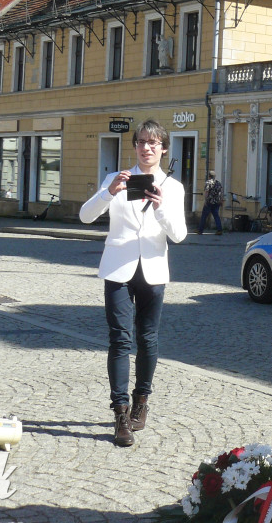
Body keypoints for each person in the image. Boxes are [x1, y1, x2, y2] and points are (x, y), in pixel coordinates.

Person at [79, 119, 187, 447]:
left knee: (148, 338)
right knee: (120, 340)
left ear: (163, 148)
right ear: (136, 146)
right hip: (118, 269)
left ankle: (142, 401)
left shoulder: (173, 187)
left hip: (153, 270)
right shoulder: (116, 179)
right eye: (141, 142)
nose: (147, 148)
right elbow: (85, 216)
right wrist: (107, 194)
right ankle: (120, 413)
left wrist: (159, 207)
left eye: (153, 143)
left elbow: (179, 235)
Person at [197, 171, 224, 235]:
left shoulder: (208, 182)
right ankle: (219, 230)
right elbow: (221, 192)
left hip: (209, 201)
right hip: (216, 202)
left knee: (204, 216)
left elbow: (206, 191)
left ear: (209, 176)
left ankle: (200, 230)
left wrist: (205, 200)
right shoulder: (218, 183)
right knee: (216, 216)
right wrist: (221, 200)